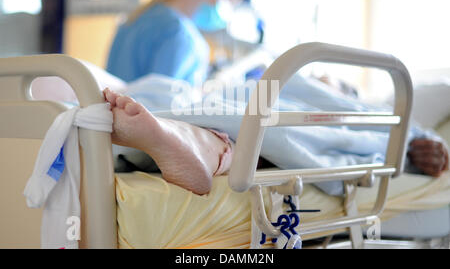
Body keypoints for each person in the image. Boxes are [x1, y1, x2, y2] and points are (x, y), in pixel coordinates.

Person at [103, 88, 449, 195]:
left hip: (294, 109)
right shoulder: (310, 78)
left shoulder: (370, 105)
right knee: (240, 108)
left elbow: (397, 132)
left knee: (281, 122)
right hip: (249, 91)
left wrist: (425, 141)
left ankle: (203, 143)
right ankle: (208, 147)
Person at [106, 0, 244, 86]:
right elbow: (163, 102)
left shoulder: (136, 17)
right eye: (228, 0)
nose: (228, 11)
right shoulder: (182, 36)